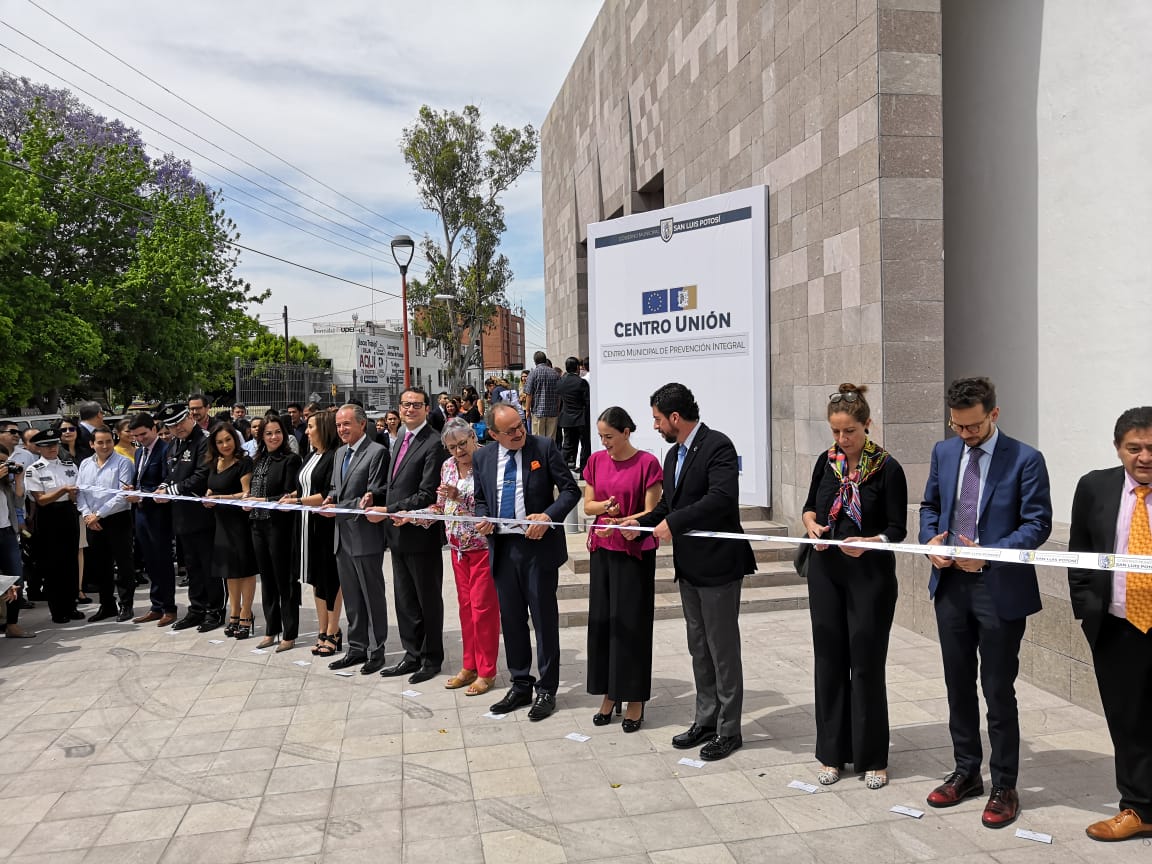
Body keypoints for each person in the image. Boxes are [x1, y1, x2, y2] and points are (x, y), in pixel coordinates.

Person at [920, 377, 1052, 828]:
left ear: (993, 414)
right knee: (957, 684)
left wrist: (988, 556)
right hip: (950, 586)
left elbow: (1037, 524)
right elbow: (929, 507)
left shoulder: (1026, 459)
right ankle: (965, 772)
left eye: (973, 427)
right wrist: (930, 540)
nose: (964, 435)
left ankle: (1004, 785)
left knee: (997, 689)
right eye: (957, 426)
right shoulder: (944, 452)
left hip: (997, 589)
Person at [621, 383, 756, 761]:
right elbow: (669, 503)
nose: (656, 426)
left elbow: (720, 499)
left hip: (719, 566)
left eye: (658, 419)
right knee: (699, 648)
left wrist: (674, 523)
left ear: (675, 418)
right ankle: (706, 719)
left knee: (722, 650)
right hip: (690, 568)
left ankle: (729, 730)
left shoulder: (718, 446)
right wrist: (643, 522)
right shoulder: (672, 455)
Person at [801, 384, 908, 789]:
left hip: (870, 577)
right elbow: (811, 505)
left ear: (867, 425)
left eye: (849, 432)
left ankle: (872, 757)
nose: (842, 440)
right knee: (828, 662)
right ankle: (831, 753)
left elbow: (898, 528)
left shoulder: (887, 467)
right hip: (826, 572)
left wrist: (870, 543)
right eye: (836, 432)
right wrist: (810, 523)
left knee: (864, 665)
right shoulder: (826, 462)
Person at [1068, 407, 1152, 841]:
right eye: (1134, 448)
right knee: (1128, 721)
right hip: (1118, 627)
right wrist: (1087, 611)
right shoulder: (1095, 486)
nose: (1144, 457)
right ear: (1118, 448)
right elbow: (1078, 552)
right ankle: (1138, 808)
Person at [473, 403, 580, 720]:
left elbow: (570, 491)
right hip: (504, 548)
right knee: (512, 620)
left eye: (521, 426)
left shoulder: (543, 447)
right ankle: (520, 683)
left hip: (537, 548)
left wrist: (548, 516)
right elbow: (481, 499)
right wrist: (483, 518)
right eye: (510, 431)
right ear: (493, 434)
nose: (519, 433)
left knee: (544, 621)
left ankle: (547, 689)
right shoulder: (482, 457)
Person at [582, 406, 663, 732]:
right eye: (601, 437)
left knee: (632, 627)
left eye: (610, 437)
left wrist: (626, 522)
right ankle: (608, 695)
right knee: (603, 625)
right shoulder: (596, 461)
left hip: (633, 554)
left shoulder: (647, 464)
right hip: (603, 550)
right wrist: (606, 509)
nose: (605, 443)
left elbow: (652, 512)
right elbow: (589, 506)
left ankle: (634, 699)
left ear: (627, 432)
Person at [407, 418, 499, 693]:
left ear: (473, 436)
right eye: (452, 447)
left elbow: (491, 504)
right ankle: (469, 665)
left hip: (483, 546)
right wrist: (413, 517)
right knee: (466, 609)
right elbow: (440, 506)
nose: (459, 451)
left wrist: (460, 496)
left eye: (462, 444)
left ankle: (487, 670)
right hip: (458, 549)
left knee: (483, 610)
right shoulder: (447, 467)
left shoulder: (487, 460)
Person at [365, 388, 448, 683]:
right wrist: (374, 495)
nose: (410, 409)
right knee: (405, 599)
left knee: (427, 599)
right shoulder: (400, 436)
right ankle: (412, 654)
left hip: (420, 534)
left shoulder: (434, 443)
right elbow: (395, 481)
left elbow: (427, 493)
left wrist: (391, 508)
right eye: (405, 404)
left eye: (416, 405)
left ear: (427, 408)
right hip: (397, 534)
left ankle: (431, 657)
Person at [322, 404, 389, 673]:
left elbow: (374, 492)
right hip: (342, 537)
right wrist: (331, 497)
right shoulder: (339, 453)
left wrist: (340, 506)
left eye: (347, 424)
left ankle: (377, 649)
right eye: (338, 425)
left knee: (372, 595)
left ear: (362, 424)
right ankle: (357, 647)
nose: (342, 430)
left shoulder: (377, 453)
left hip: (365, 535)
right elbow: (338, 488)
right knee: (351, 597)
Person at [158, 403, 223, 633]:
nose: (177, 428)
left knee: (208, 566)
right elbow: (171, 473)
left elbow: (201, 475)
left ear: (189, 417)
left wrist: (171, 491)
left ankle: (215, 610)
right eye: (171, 426)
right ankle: (197, 609)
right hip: (182, 515)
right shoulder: (174, 443)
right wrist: (163, 487)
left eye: (180, 422)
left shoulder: (205, 440)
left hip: (203, 514)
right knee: (192, 566)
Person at [284, 410, 343, 657]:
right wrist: (292, 497)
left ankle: (334, 630)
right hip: (306, 525)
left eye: (311, 427)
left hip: (325, 526)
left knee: (330, 580)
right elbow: (304, 487)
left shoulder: (333, 457)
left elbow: (328, 493)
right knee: (316, 580)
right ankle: (322, 629)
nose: (306, 432)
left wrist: (299, 502)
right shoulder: (309, 456)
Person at [248, 414, 302, 651]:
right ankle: (271, 629)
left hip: (279, 527)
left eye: (277, 432)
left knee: (285, 580)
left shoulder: (291, 460)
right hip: (257, 525)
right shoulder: (258, 460)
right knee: (267, 580)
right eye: (268, 433)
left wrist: (260, 500)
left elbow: (288, 494)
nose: (273, 437)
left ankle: (289, 634)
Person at [76, 427, 136, 623]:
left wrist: (98, 515)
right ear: (91, 444)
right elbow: (80, 492)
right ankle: (107, 605)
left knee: (124, 564)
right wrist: (87, 515)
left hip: (116, 519)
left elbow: (123, 495)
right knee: (101, 566)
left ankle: (126, 604)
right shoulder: (85, 464)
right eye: (99, 442)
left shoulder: (123, 462)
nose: (104, 446)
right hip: (92, 521)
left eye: (108, 441)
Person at [203, 422, 257, 639]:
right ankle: (234, 613)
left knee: (245, 570)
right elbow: (212, 485)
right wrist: (209, 494)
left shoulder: (244, 462)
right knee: (229, 571)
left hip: (240, 522)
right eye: (219, 441)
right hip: (221, 523)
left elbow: (246, 493)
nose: (225, 445)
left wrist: (218, 498)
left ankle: (246, 613)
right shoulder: (213, 462)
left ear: (235, 439)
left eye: (228, 439)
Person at [23, 428, 82, 624]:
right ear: (39, 448)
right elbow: (41, 500)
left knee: (70, 562)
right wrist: (63, 490)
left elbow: (76, 491)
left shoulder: (69, 465)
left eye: (55, 444)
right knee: (53, 565)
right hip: (49, 516)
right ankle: (58, 610)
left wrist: (73, 495)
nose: (52, 449)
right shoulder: (34, 469)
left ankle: (71, 605)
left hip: (68, 512)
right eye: (47, 446)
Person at [126, 413, 176, 626]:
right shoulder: (139, 452)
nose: (141, 439)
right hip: (140, 513)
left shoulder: (166, 450)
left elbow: (166, 481)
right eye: (136, 436)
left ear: (154, 429)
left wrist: (143, 493)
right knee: (150, 561)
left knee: (163, 561)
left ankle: (169, 608)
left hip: (159, 515)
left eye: (144, 434)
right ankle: (156, 605)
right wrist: (133, 489)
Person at [0, 442, 33, 638]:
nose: (4, 466)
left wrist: (18, 479)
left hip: (7, 532)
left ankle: (12, 624)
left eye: (5, 462)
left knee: (15, 578)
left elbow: (19, 502)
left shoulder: (5, 484)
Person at [556, 356, 591, 472]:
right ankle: (583, 471)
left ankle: (560, 470)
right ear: (577, 367)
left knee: (567, 446)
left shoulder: (561, 382)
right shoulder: (582, 382)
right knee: (585, 445)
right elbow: (587, 402)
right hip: (581, 419)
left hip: (566, 418)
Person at [523, 351, 560, 440]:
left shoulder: (533, 373)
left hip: (538, 412)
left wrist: (527, 410)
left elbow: (529, 393)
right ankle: (549, 454)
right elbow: (559, 393)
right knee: (551, 440)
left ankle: (540, 454)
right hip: (553, 411)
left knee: (538, 439)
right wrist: (558, 408)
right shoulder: (555, 373)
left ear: (535, 361)